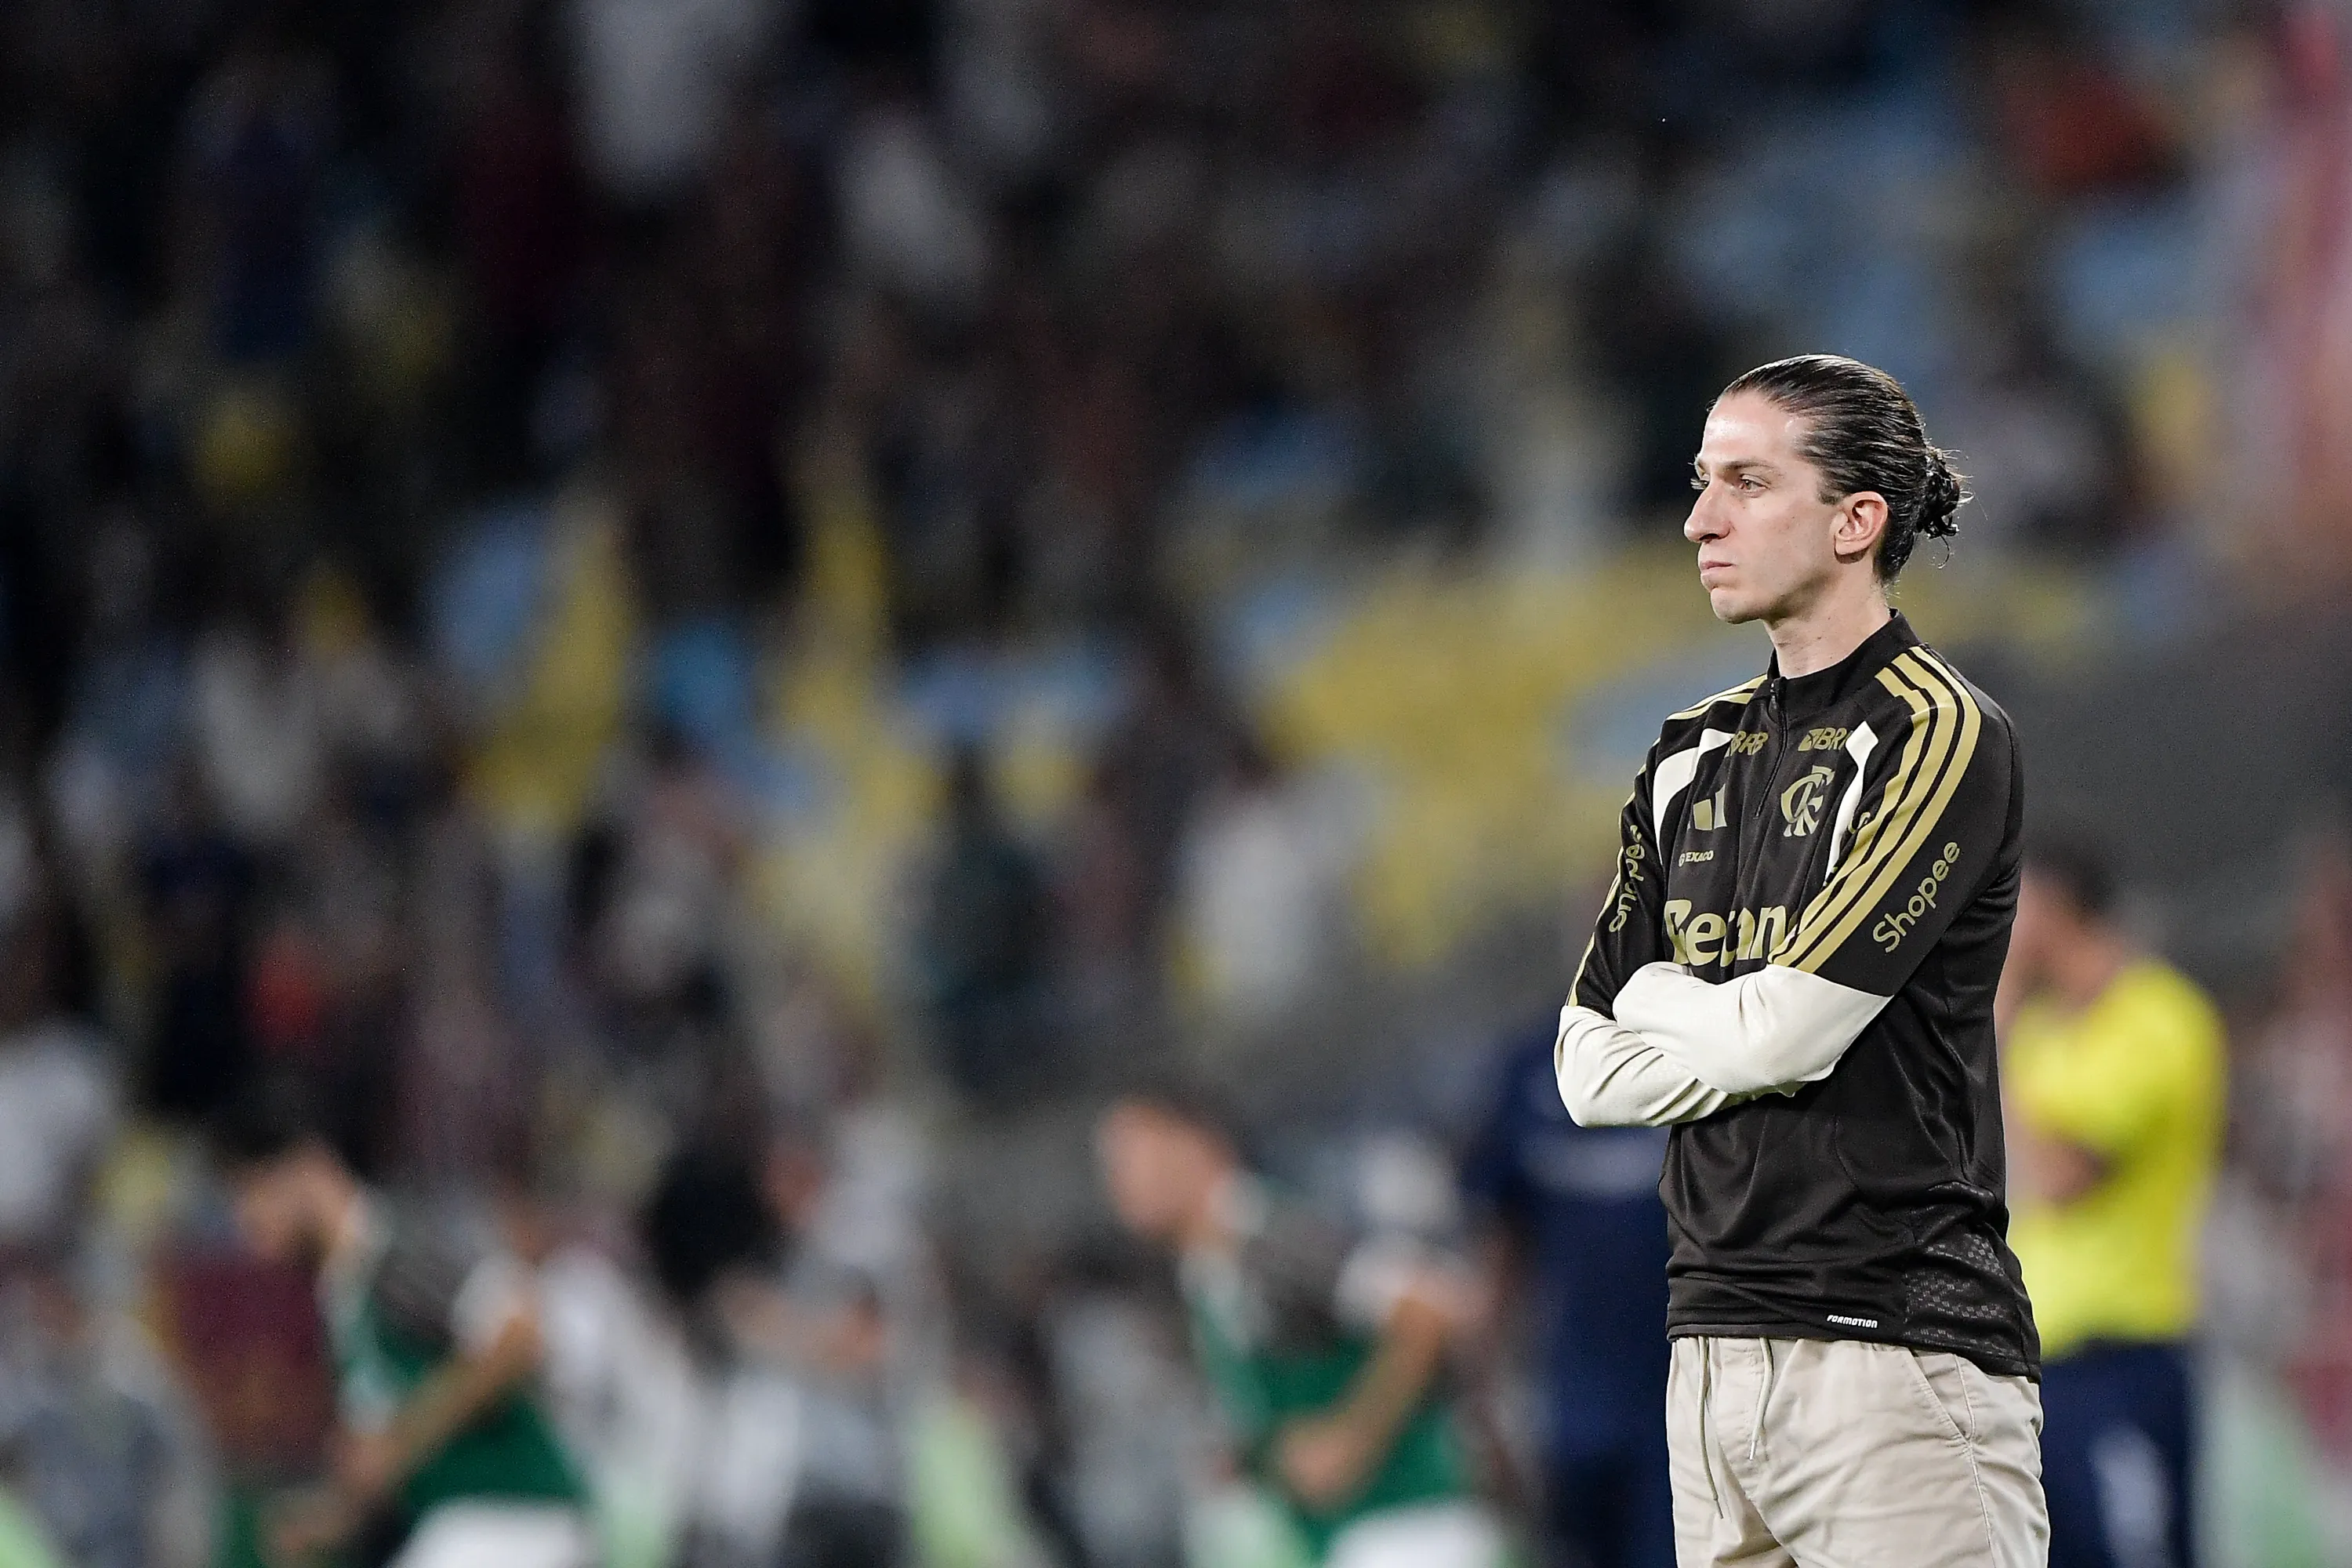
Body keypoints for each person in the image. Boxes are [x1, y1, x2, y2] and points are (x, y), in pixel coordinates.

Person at [1553, 354, 2045, 1566]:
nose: (1699, 519)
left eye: (1748, 482)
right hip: (1707, 1359)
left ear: (1856, 520)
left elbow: (1791, 1033)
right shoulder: (1685, 754)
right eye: (1701, 482)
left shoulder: (1936, 732)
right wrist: (1739, 1021)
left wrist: (1666, 996)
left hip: (1894, 1361)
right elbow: (1580, 1070)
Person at [1094, 1087, 1502, 1568]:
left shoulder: (1276, 1238)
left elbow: (1425, 1312)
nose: (1118, 1183)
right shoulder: (1208, 1269)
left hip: (1405, 1529)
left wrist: (1349, 1438)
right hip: (1343, 1536)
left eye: (1131, 1157)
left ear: (1195, 1144)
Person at [212, 1086, 589, 1568]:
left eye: (251, 1192)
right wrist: (333, 1515)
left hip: (517, 1512)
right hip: (455, 1524)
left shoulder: (396, 1248)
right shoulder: (342, 1296)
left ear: (307, 1169)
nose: (247, 1227)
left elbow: (521, 1333)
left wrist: (400, 1440)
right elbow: (387, 1460)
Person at [1999, 832, 2223, 1568]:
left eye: (2015, 902)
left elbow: (2063, 1177)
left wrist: (1990, 1034)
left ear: (2057, 911)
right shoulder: (2041, 1030)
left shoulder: (2159, 1019)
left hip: (2125, 1357)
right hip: (2040, 1365)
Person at [1461, 1016, 1672, 1568]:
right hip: (1570, 1410)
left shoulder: (1715, 1044)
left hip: (1686, 1403)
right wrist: (1483, 1412)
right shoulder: (1536, 1066)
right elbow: (1500, 1249)